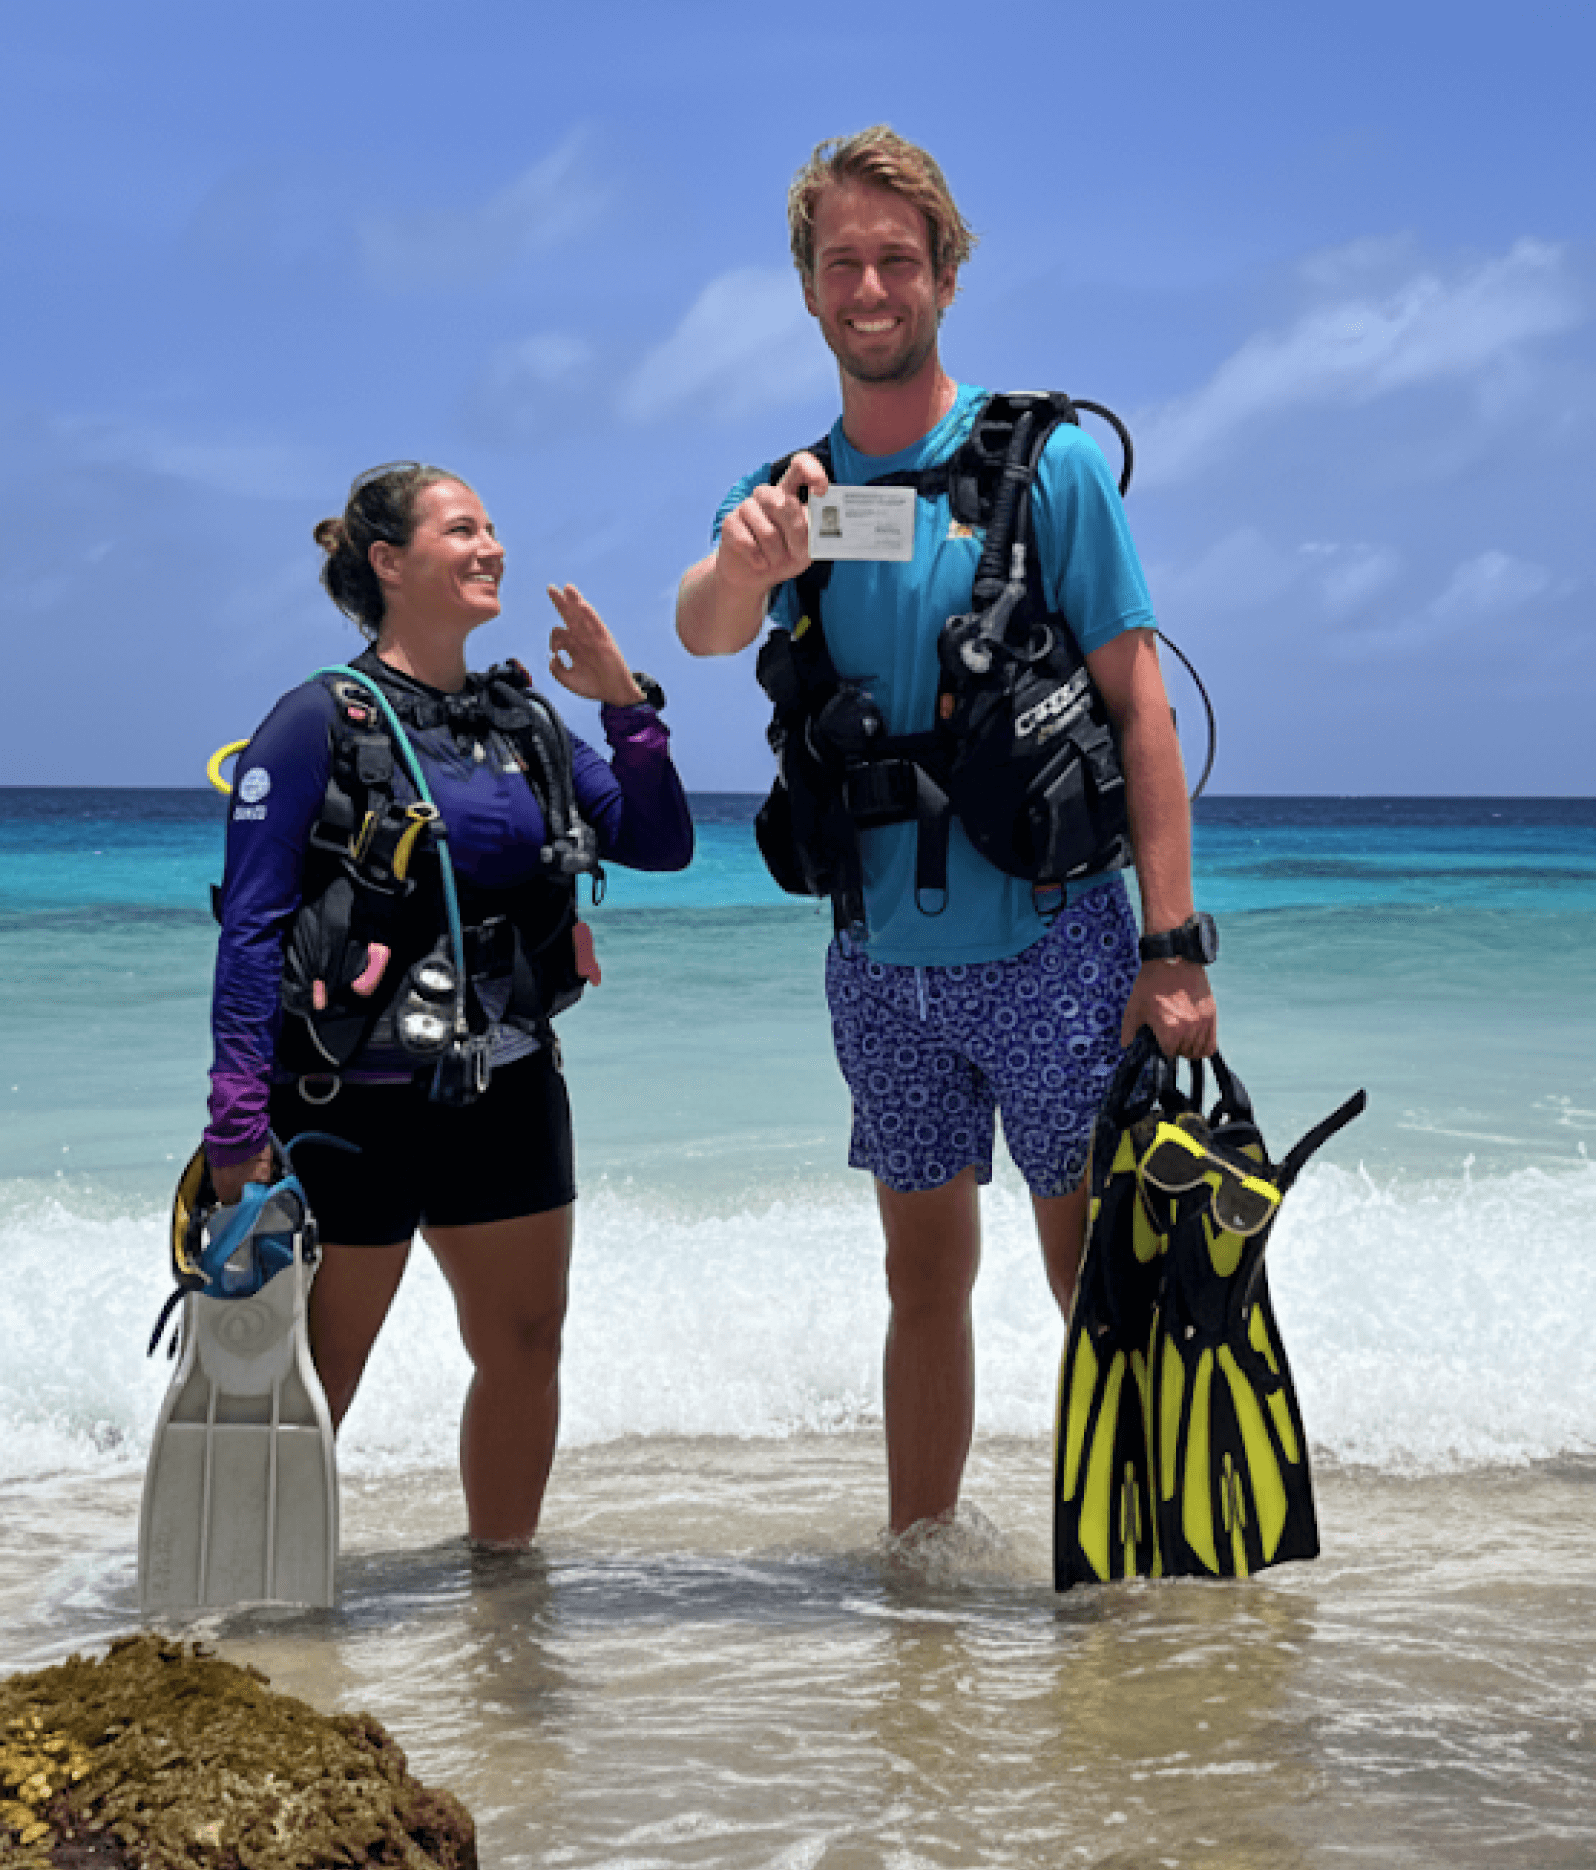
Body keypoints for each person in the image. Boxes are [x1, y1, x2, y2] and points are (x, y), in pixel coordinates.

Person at [676, 128, 1216, 1536]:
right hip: (881, 971)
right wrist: (742, 564)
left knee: (1092, 1270)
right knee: (920, 1282)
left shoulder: (1047, 467)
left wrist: (1173, 949)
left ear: (948, 275)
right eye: (842, 261)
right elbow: (707, 624)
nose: (870, 285)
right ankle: (918, 1568)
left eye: (897, 260)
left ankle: (1150, 1562)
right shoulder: (793, 496)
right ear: (805, 287)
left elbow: (1141, 708)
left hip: (1055, 951)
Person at [205, 461, 693, 1546]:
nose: (493, 547)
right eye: (463, 529)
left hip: (508, 1090)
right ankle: (246, 1601)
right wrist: (236, 1119)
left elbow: (660, 839)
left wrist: (622, 702)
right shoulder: (315, 722)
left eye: (492, 527)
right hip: (353, 1103)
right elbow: (249, 928)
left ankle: (502, 1598)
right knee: (315, 1375)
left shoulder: (522, 720)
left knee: (525, 1347)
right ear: (390, 562)